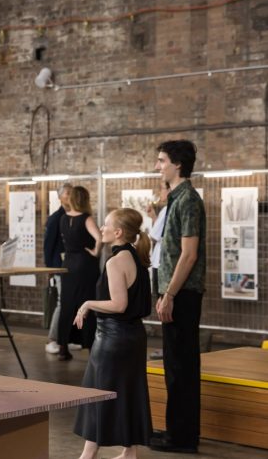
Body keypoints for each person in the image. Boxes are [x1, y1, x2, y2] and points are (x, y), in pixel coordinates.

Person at [73, 208, 153, 459]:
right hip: (134, 337)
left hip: (113, 338)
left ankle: (89, 453)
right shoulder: (137, 258)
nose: (102, 228)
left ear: (118, 232)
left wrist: (88, 303)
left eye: (106, 224)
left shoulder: (115, 262)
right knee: (129, 392)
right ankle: (130, 451)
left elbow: (119, 305)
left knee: (98, 392)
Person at [149, 140, 206, 454]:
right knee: (174, 364)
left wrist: (169, 293)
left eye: (161, 161)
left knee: (181, 366)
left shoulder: (188, 200)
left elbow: (189, 254)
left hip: (182, 293)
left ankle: (182, 437)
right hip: (174, 291)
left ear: (177, 164)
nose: (157, 166)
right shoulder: (176, 198)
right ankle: (176, 430)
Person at [58, 185, 101, 361]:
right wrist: (96, 252)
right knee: (88, 303)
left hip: (68, 264)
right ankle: (90, 346)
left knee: (67, 305)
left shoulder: (63, 218)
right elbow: (99, 237)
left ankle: (63, 346)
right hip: (85, 264)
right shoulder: (86, 218)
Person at [43, 183, 77, 354]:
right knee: (61, 303)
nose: (70, 196)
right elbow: (48, 245)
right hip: (59, 266)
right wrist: (49, 268)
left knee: (71, 302)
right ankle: (53, 339)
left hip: (72, 266)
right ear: (60, 197)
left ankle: (66, 339)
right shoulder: (56, 218)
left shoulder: (74, 216)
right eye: (67, 193)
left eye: (72, 193)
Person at [146, 181, 170, 298]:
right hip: (161, 261)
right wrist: (154, 216)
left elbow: (154, 236)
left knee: (161, 298)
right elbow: (159, 233)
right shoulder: (166, 209)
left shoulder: (167, 209)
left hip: (161, 262)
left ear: (169, 190)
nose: (160, 192)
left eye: (162, 188)